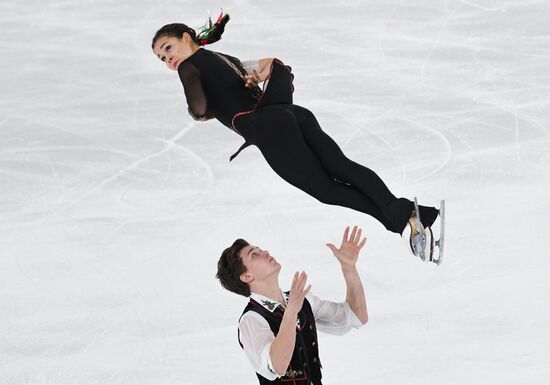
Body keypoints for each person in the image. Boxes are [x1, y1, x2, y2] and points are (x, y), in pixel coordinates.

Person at [151, 12, 441, 254]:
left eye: (167, 48)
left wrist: (199, 113)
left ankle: (402, 218)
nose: (167, 59)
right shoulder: (221, 57)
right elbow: (265, 64)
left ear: (186, 38)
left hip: (268, 130)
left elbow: (199, 108)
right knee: (341, 167)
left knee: (326, 189)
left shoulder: (189, 67)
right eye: (161, 58)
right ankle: (408, 218)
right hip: (290, 114)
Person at [216, 225, 369, 385]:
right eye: (254, 254)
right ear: (247, 276)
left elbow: (356, 316)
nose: (265, 252)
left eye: (260, 249)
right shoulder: (251, 319)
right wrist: (291, 311)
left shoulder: (301, 300)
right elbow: (277, 366)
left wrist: (349, 267)